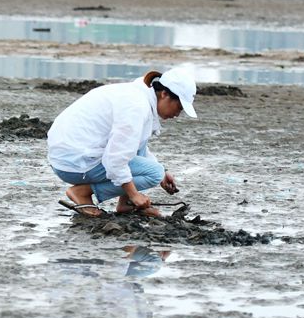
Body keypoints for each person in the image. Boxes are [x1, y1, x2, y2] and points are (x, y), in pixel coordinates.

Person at [47, 67, 197, 217]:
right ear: (164, 94)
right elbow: (115, 159)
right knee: (154, 173)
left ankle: (125, 204)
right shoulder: (136, 107)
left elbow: (135, 145)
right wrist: (134, 194)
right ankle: (82, 192)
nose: (178, 114)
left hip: (70, 155)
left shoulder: (138, 95)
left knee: (154, 168)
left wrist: (163, 171)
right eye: (179, 107)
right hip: (73, 163)